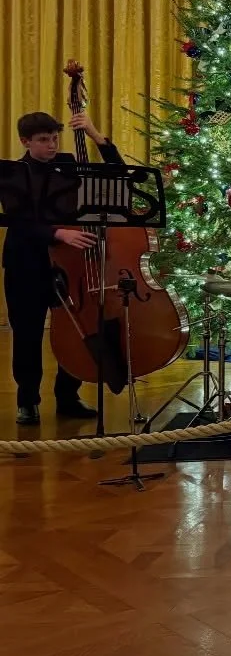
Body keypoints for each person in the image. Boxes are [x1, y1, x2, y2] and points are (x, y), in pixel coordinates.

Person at [2, 110, 119, 424]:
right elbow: (18, 221)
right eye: (44, 140)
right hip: (26, 262)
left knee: (75, 329)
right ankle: (28, 401)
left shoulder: (67, 164)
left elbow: (118, 174)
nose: (52, 145)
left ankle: (68, 396)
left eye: (55, 138)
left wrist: (94, 134)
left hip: (69, 263)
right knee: (27, 333)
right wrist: (58, 233)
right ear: (25, 141)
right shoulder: (13, 173)